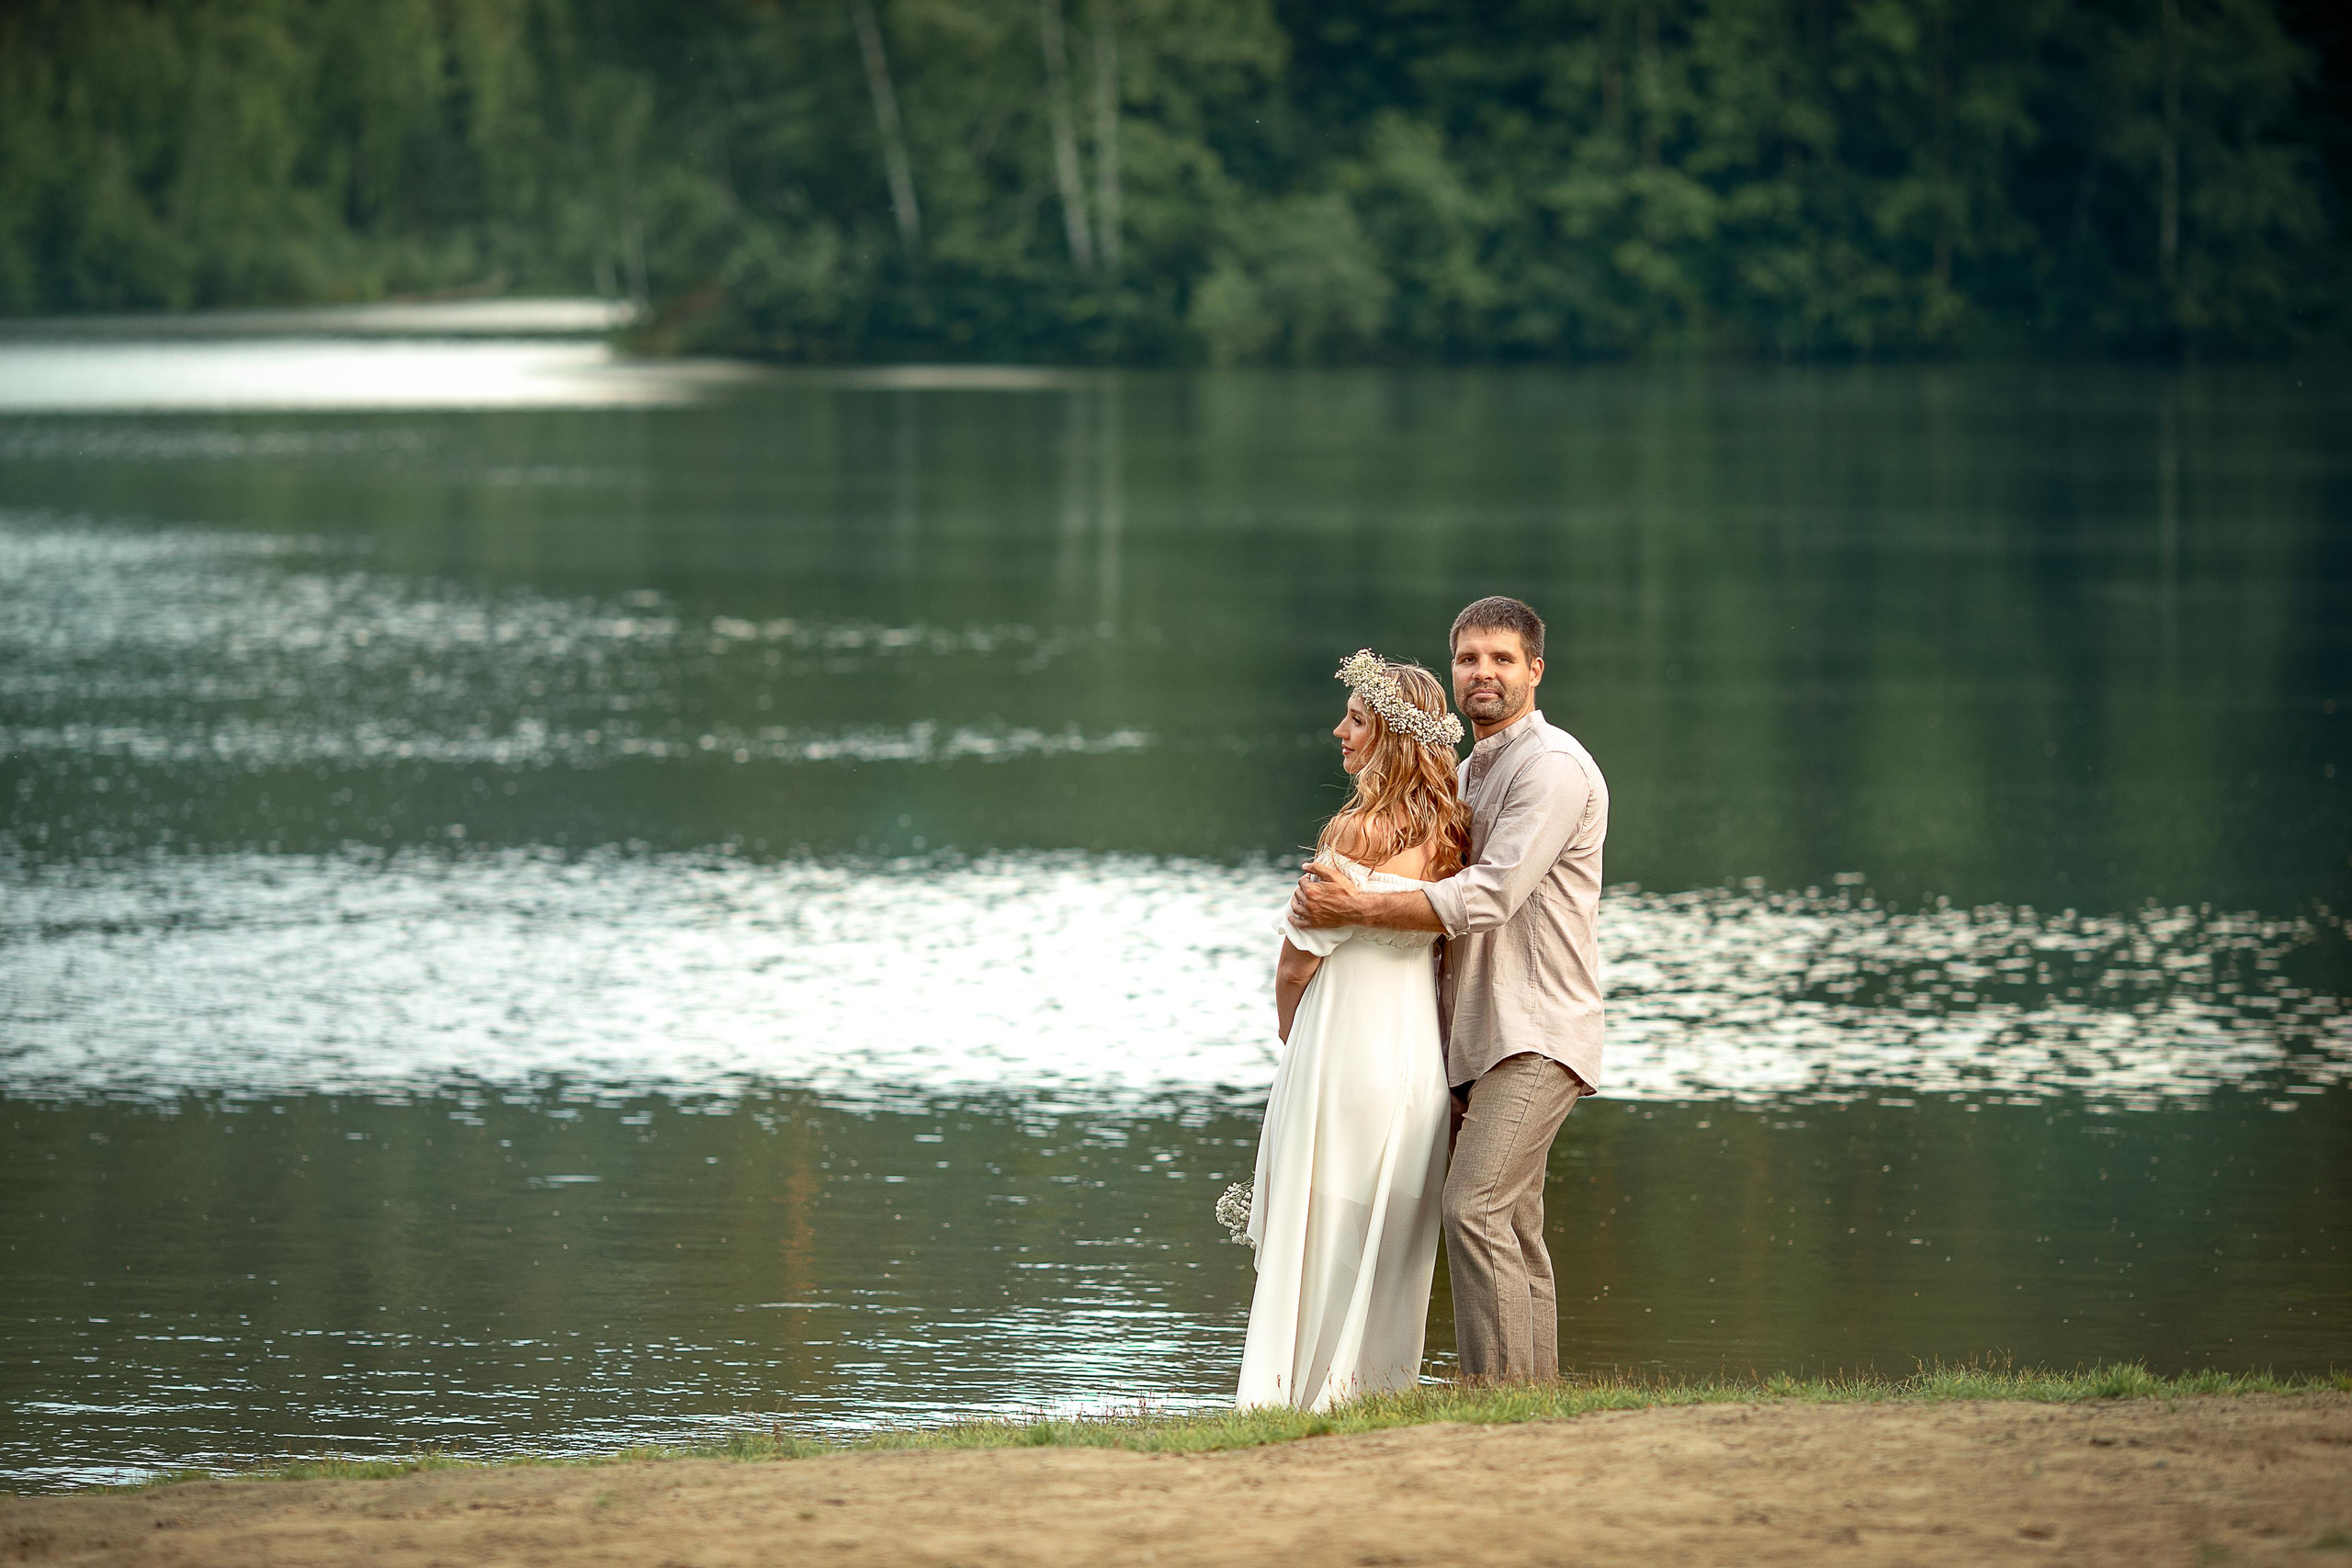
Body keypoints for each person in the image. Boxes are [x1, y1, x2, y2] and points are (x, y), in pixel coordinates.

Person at [1289, 596, 1607, 1383]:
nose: (1483, 673)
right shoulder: (1469, 774)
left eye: (1502, 659)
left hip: (1537, 1031)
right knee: (1512, 1222)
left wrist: (1356, 906)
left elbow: (1489, 897)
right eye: (1469, 659)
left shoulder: (1553, 768)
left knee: (1476, 1205)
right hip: (1477, 1036)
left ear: (1536, 669)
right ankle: (1530, 1403)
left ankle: (1492, 1392)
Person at [1234, 651, 1470, 1411]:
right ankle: (1371, 1391)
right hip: (1410, 1065)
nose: (1340, 731)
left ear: (1392, 740)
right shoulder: (1456, 833)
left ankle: (1289, 1392)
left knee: (1316, 1223)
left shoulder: (1356, 830)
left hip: (1339, 1055)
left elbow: (1296, 960)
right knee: (1385, 1234)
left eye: (1357, 721)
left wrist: (1288, 1035)